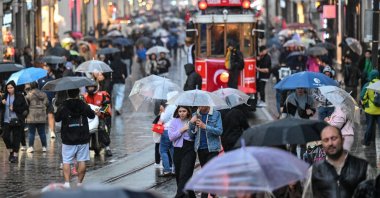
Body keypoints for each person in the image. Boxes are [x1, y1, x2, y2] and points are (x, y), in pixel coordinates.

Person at [302, 126, 375, 198]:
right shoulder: (314, 171)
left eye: (333, 138)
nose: (330, 143)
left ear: (342, 140)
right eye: (326, 140)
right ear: (322, 144)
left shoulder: (363, 168)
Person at [55, 88, 95, 188]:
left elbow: (57, 118)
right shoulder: (83, 104)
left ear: (68, 93)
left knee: (66, 161)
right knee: (82, 160)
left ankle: (67, 183)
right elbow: (92, 116)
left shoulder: (63, 105)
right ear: (78, 93)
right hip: (83, 137)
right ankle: (80, 183)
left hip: (68, 138)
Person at [189, 106, 223, 198]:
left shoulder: (216, 114)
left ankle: (204, 195)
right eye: (199, 105)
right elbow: (191, 135)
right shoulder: (195, 115)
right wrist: (191, 123)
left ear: (207, 104)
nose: (200, 107)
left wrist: (205, 126)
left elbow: (219, 131)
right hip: (200, 148)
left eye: (202, 104)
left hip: (212, 149)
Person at [168, 106, 196, 198]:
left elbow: (195, 136)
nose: (182, 113)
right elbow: (171, 137)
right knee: (180, 176)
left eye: (184, 111)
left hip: (190, 149)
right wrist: (182, 129)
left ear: (188, 112)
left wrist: (192, 125)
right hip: (178, 150)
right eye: (180, 111)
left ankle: (178, 196)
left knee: (185, 174)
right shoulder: (174, 121)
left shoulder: (193, 120)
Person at [1, 81, 29, 163]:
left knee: (17, 138)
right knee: (5, 136)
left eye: (11, 88)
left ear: (14, 87)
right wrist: (1, 103)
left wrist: (14, 108)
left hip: (17, 120)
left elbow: (25, 108)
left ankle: (15, 155)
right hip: (6, 120)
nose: (9, 89)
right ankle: (11, 151)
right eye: (8, 88)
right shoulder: (4, 96)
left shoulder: (20, 96)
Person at [83, 83, 113, 156]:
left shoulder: (103, 94)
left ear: (95, 87)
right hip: (89, 117)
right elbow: (82, 106)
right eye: (89, 87)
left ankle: (107, 147)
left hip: (101, 117)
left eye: (92, 87)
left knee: (102, 128)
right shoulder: (84, 96)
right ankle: (84, 148)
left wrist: (101, 112)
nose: (90, 88)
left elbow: (107, 105)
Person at [25, 82, 49, 153]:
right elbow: (47, 103)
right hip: (41, 115)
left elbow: (26, 105)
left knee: (31, 132)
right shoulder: (44, 94)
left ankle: (31, 147)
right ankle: (44, 147)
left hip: (31, 116)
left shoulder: (29, 95)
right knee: (42, 132)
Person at [158, 92, 178, 176]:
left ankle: (167, 170)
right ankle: (175, 169)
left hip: (167, 130)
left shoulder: (170, 107)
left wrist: (162, 112)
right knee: (173, 150)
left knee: (163, 150)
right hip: (174, 130)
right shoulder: (177, 106)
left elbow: (163, 119)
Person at [360, 70, 380, 147]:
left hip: (370, 110)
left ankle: (366, 141)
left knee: (369, 126)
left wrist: (366, 103)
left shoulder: (368, 85)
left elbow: (362, 97)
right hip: (379, 110)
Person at [38, 63, 56, 139]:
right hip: (41, 101)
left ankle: (52, 131)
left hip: (49, 100)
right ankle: (40, 132)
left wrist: (53, 97)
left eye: (48, 66)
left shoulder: (52, 79)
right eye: (45, 66)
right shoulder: (39, 79)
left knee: (51, 115)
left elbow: (54, 90)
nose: (47, 68)